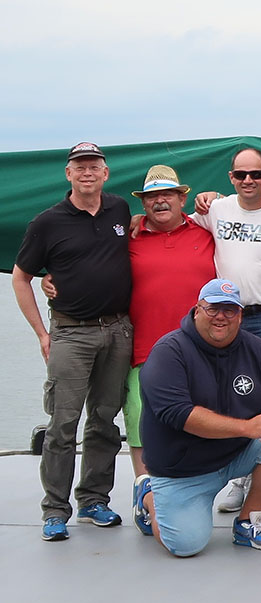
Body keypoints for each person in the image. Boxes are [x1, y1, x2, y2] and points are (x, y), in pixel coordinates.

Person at [13, 142, 133, 541]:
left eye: (93, 166)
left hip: (117, 330)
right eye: (79, 167)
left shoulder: (119, 210)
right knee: (62, 425)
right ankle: (54, 510)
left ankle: (94, 500)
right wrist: (42, 334)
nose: (86, 172)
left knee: (104, 421)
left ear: (105, 173)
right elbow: (20, 277)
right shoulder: (47, 222)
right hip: (71, 332)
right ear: (68, 174)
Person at [131, 279, 261, 555]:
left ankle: (249, 521)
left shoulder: (256, 347)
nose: (221, 317)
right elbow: (180, 415)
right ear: (197, 310)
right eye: (213, 309)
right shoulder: (168, 352)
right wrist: (248, 427)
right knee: (185, 546)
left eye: (230, 310)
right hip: (183, 469)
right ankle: (148, 495)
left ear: (240, 315)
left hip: (234, 454)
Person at [125, 166, 217, 482]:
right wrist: (52, 280)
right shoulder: (128, 237)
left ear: (182, 198)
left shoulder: (208, 233)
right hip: (144, 350)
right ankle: (144, 490)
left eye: (167, 195)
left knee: (203, 421)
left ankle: (195, 489)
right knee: (140, 421)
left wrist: (217, 198)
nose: (160, 202)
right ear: (143, 203)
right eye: (152, 196)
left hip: (201, 352)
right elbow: (89, 264)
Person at [192, 148, 261, 360]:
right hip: (222, 313)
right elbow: (178, 225)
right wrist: (139, 219)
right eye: (240, 174)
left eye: (256, 174)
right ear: (231, 177)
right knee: (221, 379)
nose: (248, 180)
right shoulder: (216, 209)